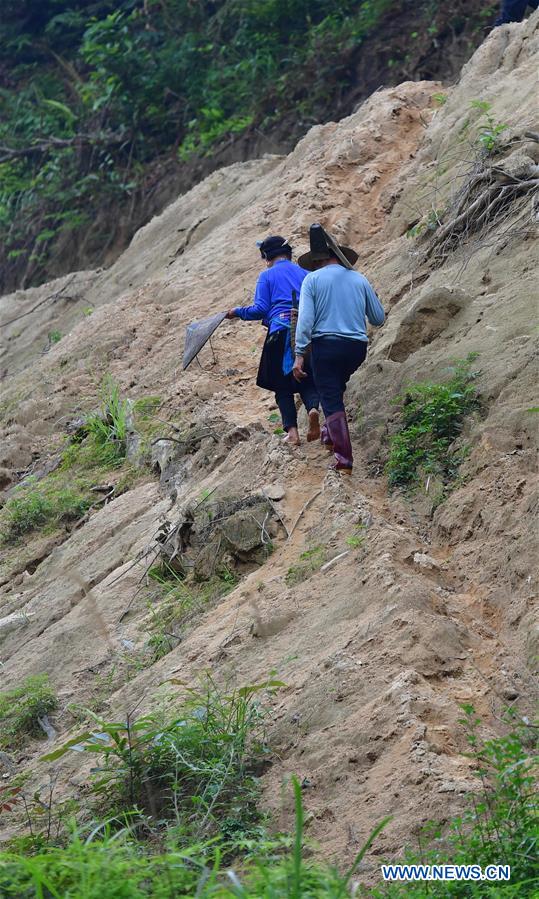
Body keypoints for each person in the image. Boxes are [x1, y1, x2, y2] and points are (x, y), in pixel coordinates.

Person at [293, 223, 385, 473]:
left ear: (317, 260)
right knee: (334, 387)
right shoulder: (359, 279)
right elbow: (378, 318)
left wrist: (300, 355)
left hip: (327, 346)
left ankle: (344, 460)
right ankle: (328, 434)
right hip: (356, 348)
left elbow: (305, 321)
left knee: (330, 396)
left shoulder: (312, 280)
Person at [225, 235, 320, 446]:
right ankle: (313, 408)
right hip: (306, 332)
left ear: (267, 256)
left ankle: (292, 433)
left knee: (281, 385)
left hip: (279, 332)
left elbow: (260, 309)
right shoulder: (306, 273)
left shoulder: (266, 276)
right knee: (306, 376)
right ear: (288, 253)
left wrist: (237, 312)